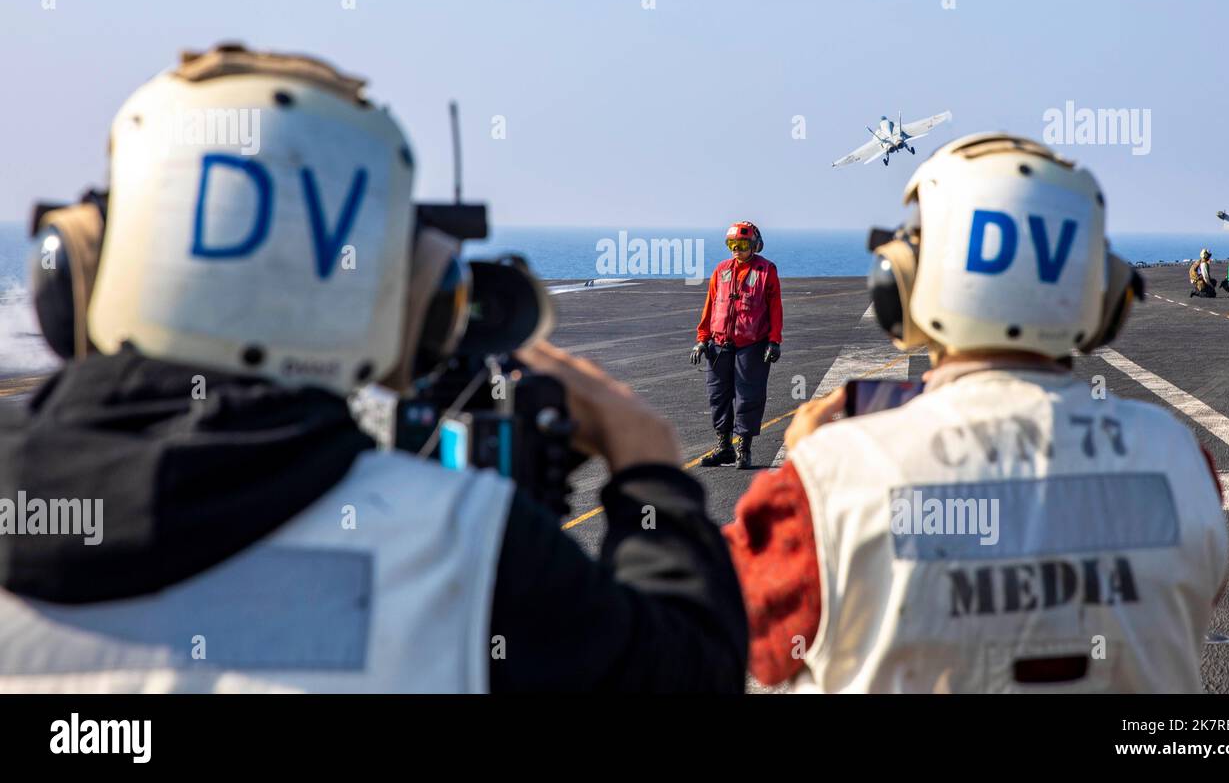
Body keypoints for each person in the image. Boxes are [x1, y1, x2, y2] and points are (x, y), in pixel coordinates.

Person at [0, 44, 746, 693]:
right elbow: (685, 669)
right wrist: (645, 459)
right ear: (419, 303)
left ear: (75, 270)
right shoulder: (461, 545)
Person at [724, 133, 1229, 693]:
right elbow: (1202, 590)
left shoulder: (830, 477)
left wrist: (805, 466)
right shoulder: (1182, 462)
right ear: (1102, 293)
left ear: (903, 283)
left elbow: (743, 635)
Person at [690, 221, 783, 470]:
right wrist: (702, 339)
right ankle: (724, 447)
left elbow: (775, 308)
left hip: (752, 345)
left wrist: (774, 341)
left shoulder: (766, 271)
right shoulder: (721, 270)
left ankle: (744, 448)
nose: (736, 250)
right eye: (732, 245)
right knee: (718, 397)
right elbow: (710, 305)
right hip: (719, 345)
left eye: (742, 245)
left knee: (748, 397)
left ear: (754, 246)